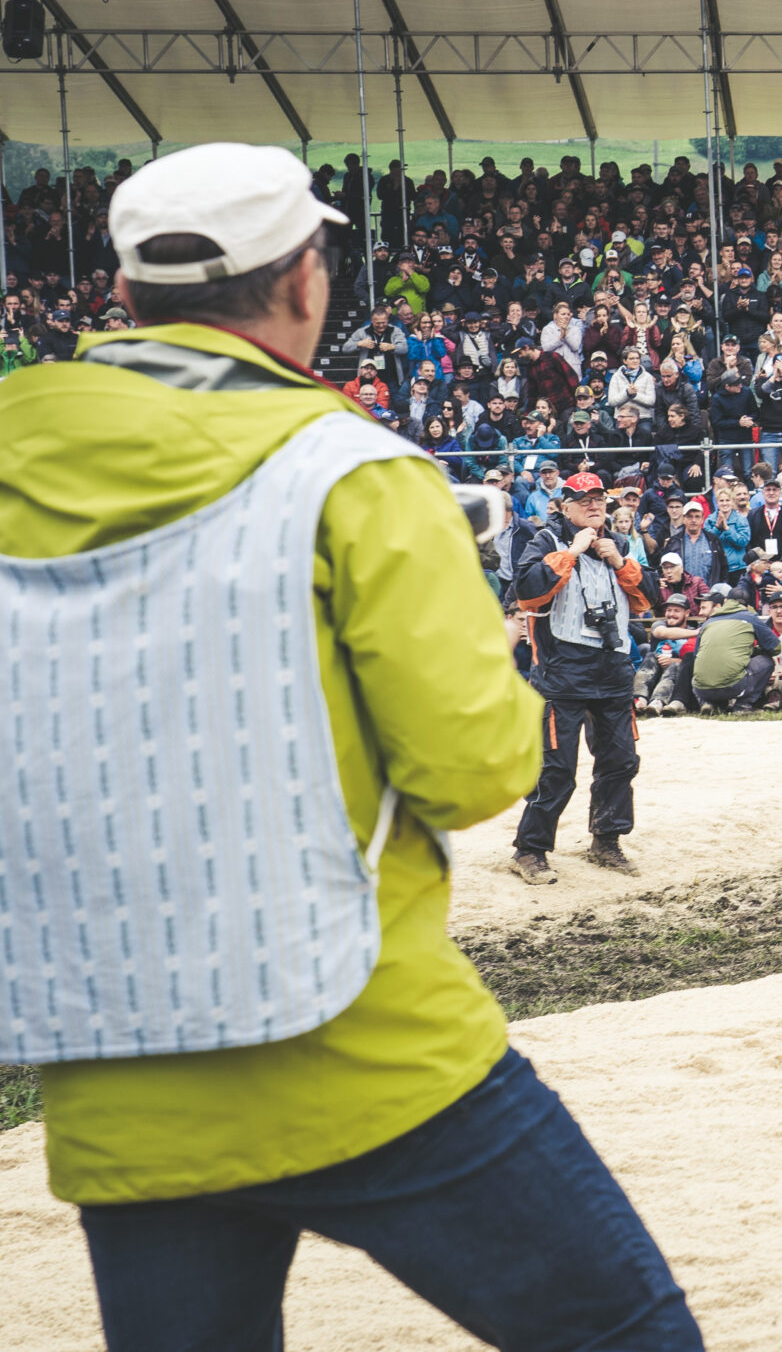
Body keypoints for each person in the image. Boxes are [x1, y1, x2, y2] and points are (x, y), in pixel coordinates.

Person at [0, 143, 697, 1348]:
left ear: (120, 295)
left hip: (113, 1054)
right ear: (304, 281)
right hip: (352, 1029)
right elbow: (472, 768)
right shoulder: (351, 471)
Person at [509, 468, 656, 883]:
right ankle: (529, 850)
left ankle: (606, 841)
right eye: (585, 500)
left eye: (599, 500)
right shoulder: (546, 540)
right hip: (562, 673)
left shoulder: (620, 543)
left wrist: (621, 562)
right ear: (566, 507)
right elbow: (527, 591)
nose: (594, 506)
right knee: (555, 768)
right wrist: (571, 553)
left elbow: (649, 600)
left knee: (620, 761)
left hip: (612, 670)